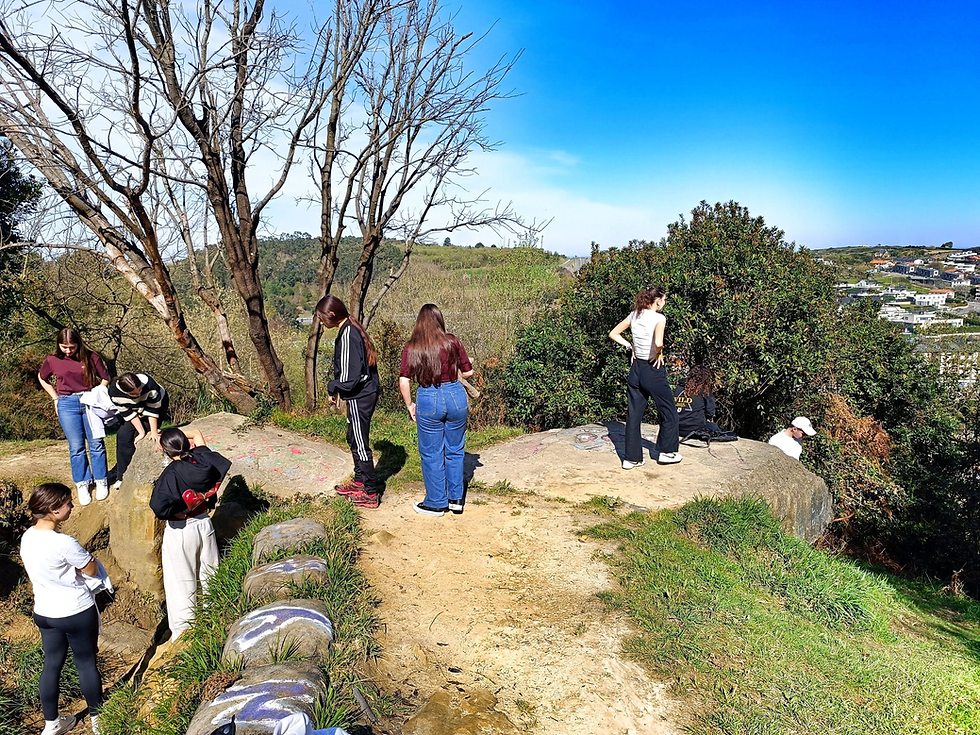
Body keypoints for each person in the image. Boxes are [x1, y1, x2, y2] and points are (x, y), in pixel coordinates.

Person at [20, 483, 105, 735]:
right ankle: (99, 722)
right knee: (86, 663)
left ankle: (52, 724)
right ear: (54, 509)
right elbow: (91, 570)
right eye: (68, 502)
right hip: (75, 610)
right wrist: (87, 561)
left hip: (45, 612)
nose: (72, 506)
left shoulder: (27, 537)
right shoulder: (64, 542)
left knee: (52, 665)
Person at [150, 426, 230, 639]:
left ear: (166, 451)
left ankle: (184, 634)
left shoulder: (171, 473)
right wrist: (170, 437)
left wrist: (174, 513)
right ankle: (214, 620)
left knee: (181, 583)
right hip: (205, 523)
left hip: (182, 529)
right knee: (210, 574)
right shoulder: (203, 459)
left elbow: (158, 506)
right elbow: (196, 432)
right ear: (187, 443)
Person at [399, 303, 474, 517]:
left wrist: (410, 405)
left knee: (432, 453)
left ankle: (436, 502)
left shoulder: (412, 347)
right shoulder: (452, 342)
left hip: (428, 397)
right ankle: (456, 500)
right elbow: (468, 373)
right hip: (455, 395)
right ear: (440, 320)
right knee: (455, 449)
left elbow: (404, 380)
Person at [315, 296, 381, 509]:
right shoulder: (351, 329)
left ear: (332, 314)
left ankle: (371, 493)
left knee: (360, 443)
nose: (321, 322)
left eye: (321, 318)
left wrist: (333, 386)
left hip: (360, 396)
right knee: (353, 437)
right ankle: (360, 481)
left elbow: (350, 379)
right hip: (363, 393)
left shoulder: (347, 335)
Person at [608, 286, 681, 468]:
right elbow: (658, 342)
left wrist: (630, 346)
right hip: (652, 369)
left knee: (633, 415)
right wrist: (658, 353)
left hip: (636, 369)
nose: (664, 303)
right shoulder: (659, 318)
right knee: (668, 410)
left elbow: (613, 333)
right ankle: (667, 452)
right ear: (658, 300)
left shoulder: (634, 315)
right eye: (664, 299)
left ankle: (631, 459)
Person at [38, 328, 111, 505]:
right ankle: (82, 483)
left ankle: (101, 480)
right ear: (58, 345)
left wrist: (97, 394)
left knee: (96, 443)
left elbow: (106, 378)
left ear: (79, 344)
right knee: (76, 446)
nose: (68, 351)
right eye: (64, 347)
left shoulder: (91, 357)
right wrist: (55, 398)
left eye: (72, 347)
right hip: (67, 403)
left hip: (90, 401)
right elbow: (42, 378)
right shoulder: (52, 359)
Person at [108, 372, 169, 489]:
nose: (138, 394)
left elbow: (153, 411)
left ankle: (141, 472)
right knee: (123, 435)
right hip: (133, 408)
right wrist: (140, 431)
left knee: (147, 434)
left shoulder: (150, 385)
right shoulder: (114, 392)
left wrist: (154, 432)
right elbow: (128, 413)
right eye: (134, 393)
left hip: (157, 405)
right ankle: (122, 476)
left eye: (140, 390)